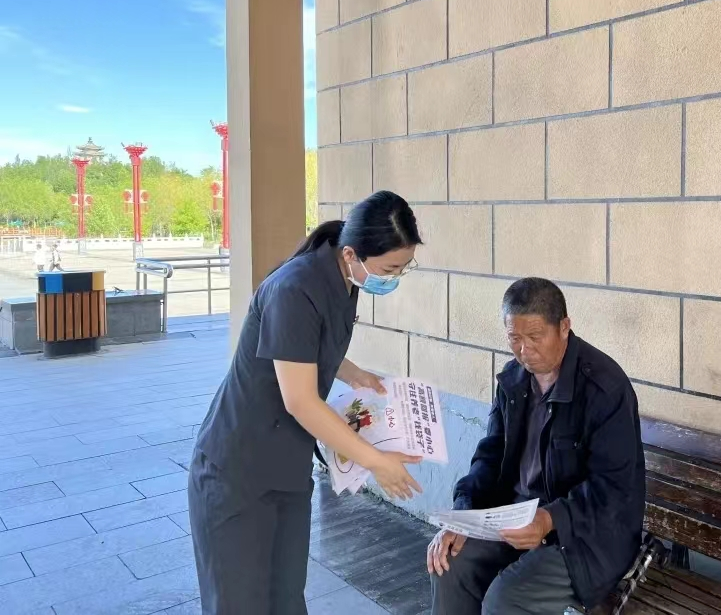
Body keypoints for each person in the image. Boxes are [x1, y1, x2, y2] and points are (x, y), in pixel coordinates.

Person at [190, 191, 425, 615]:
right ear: (352, 254)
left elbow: (306, 345)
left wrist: (354, 374)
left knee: (285, 599)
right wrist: (374, 460)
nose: (393, 278)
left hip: (286, 468)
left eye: (403, 269)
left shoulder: (344, 279)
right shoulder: (295, 287)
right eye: (389, 269)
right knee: (239, 604)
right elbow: (300, 400)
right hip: (237, 470)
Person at [428, 278, 646, 614]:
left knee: (507, 598)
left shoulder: (604, 388)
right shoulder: (513, 380)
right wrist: (463, 512)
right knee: (449, 564)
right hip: (514, 519)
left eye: (535, 337)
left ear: (564, 327)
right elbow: (490, 455)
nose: (524, 350)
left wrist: (549, 518)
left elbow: (613, 489)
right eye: (514, 338)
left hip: (585, 538)